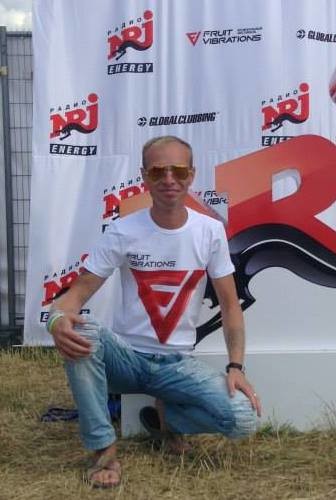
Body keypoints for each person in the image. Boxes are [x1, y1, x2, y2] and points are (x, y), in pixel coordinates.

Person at [46, 136, 261, 488]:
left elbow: (230, 305)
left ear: (192, 175)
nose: (169, 179)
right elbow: (76, 295)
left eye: (179, 171)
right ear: (144, 177)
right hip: (126, 359)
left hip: (177, 364)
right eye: (159, 171)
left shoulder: (210, 231)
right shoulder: (123, 230)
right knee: (80, 328)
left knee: (243, 419)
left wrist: (235, 367)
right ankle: (103, 450)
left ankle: (169, 418)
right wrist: (56, 320)